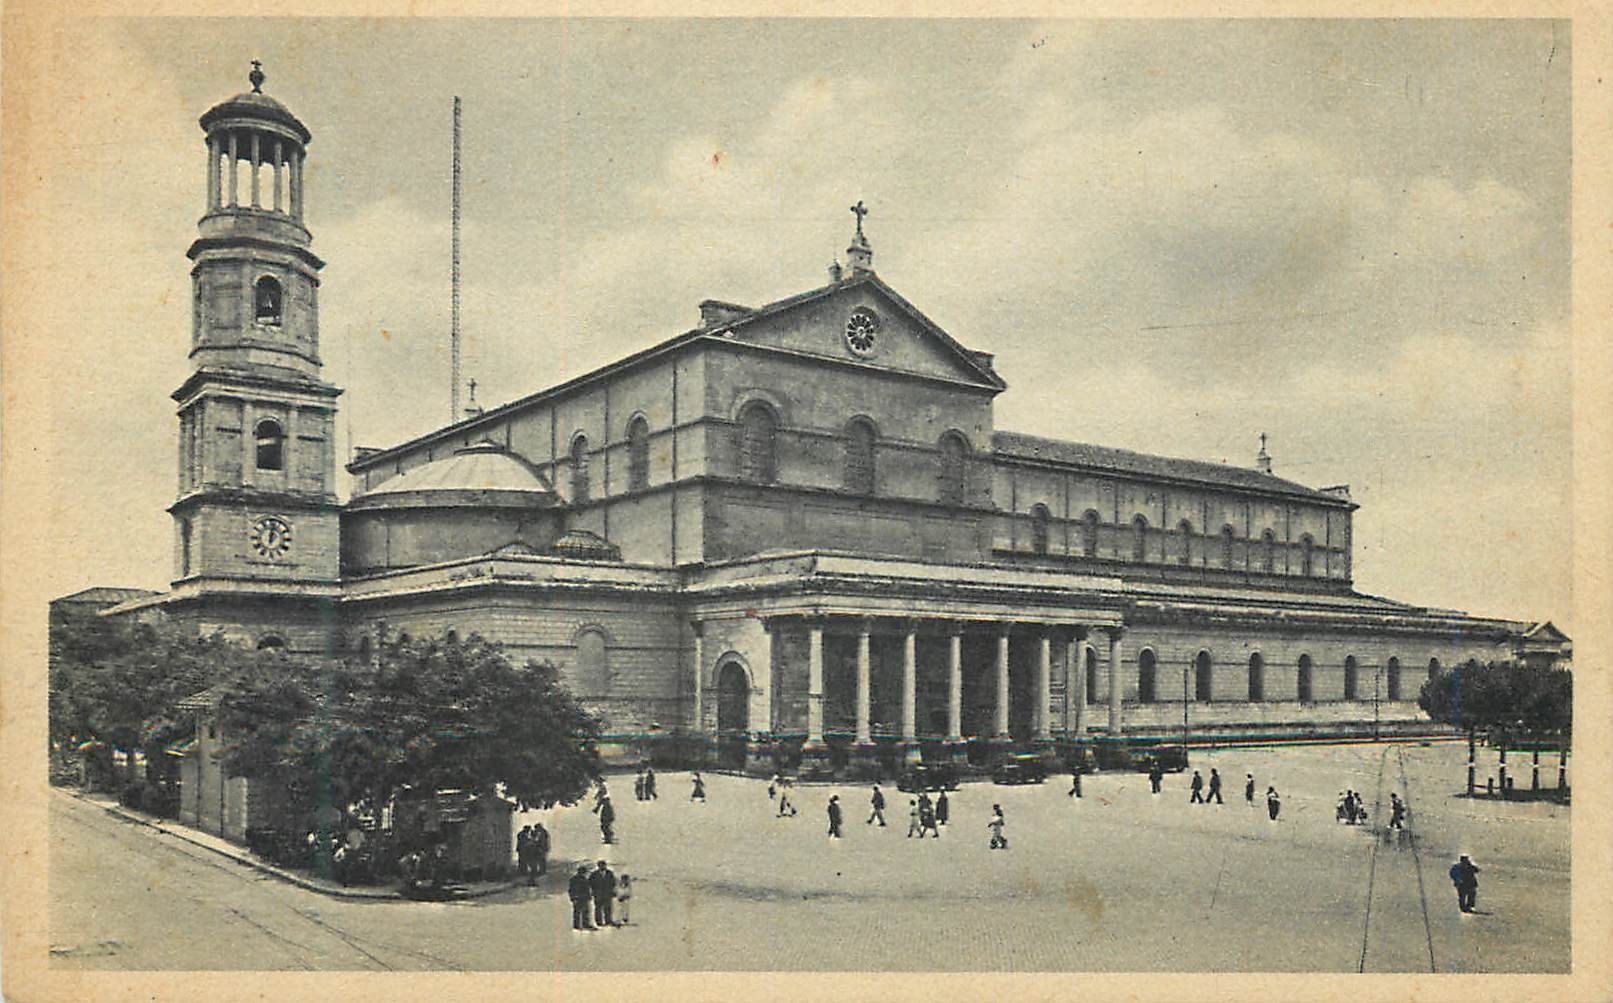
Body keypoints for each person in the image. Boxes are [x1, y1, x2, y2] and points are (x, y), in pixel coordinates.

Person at [589, 859, 618, 928]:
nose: (602, 866)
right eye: (600, 865)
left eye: (603, 865)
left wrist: (613, 891)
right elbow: (590, 883)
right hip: (598, 894)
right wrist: (594, 891)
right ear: (598, 866)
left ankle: (608, 921)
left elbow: (613, 883)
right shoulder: (594, 874)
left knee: (608, 908)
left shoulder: (609, 873)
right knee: (598, 908)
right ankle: (599, 922)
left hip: (607, 894)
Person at [569, 865, 595, 930]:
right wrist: (573, 898)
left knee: (585, 912)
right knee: (577, 912)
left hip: (584, 898)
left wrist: (589, 896)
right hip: (578, 898)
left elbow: (587, 889)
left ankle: (585, 924)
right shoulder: (574, 879)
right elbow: (571, 890)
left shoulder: (584, 879)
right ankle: (577, 925)